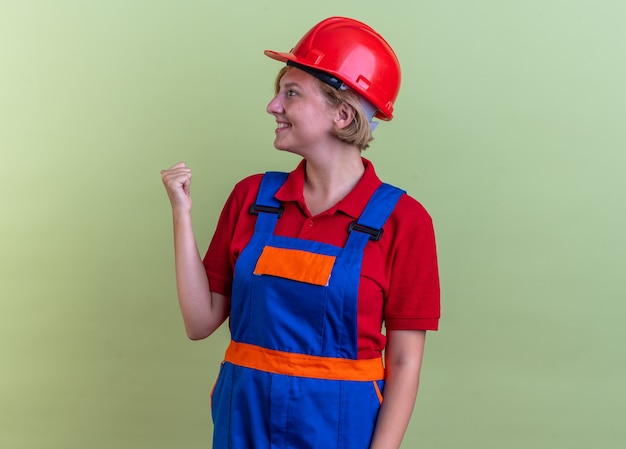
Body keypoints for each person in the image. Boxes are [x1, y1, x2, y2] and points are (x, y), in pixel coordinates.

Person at [161, 16, 440, 449]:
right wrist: (182, 214)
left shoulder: (404, 221)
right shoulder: (252, 199)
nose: (273, 106)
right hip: (243, 421)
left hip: (341, 428)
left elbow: (404, 362)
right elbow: (199, 323)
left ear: (342, 114)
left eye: (291, 93)